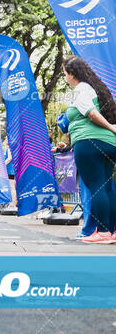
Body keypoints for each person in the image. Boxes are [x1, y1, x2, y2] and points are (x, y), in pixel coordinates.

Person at [63, 55, 116, 244]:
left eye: (65, 74)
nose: (65, 78)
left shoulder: (81, 89)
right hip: (109, 144)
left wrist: (111, 126)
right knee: (107, 187)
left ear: (71, 73)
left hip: (89, 143)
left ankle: (102, 232)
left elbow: (91, 113)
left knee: (96, 188)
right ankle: (112, 231)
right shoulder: (96, 89)